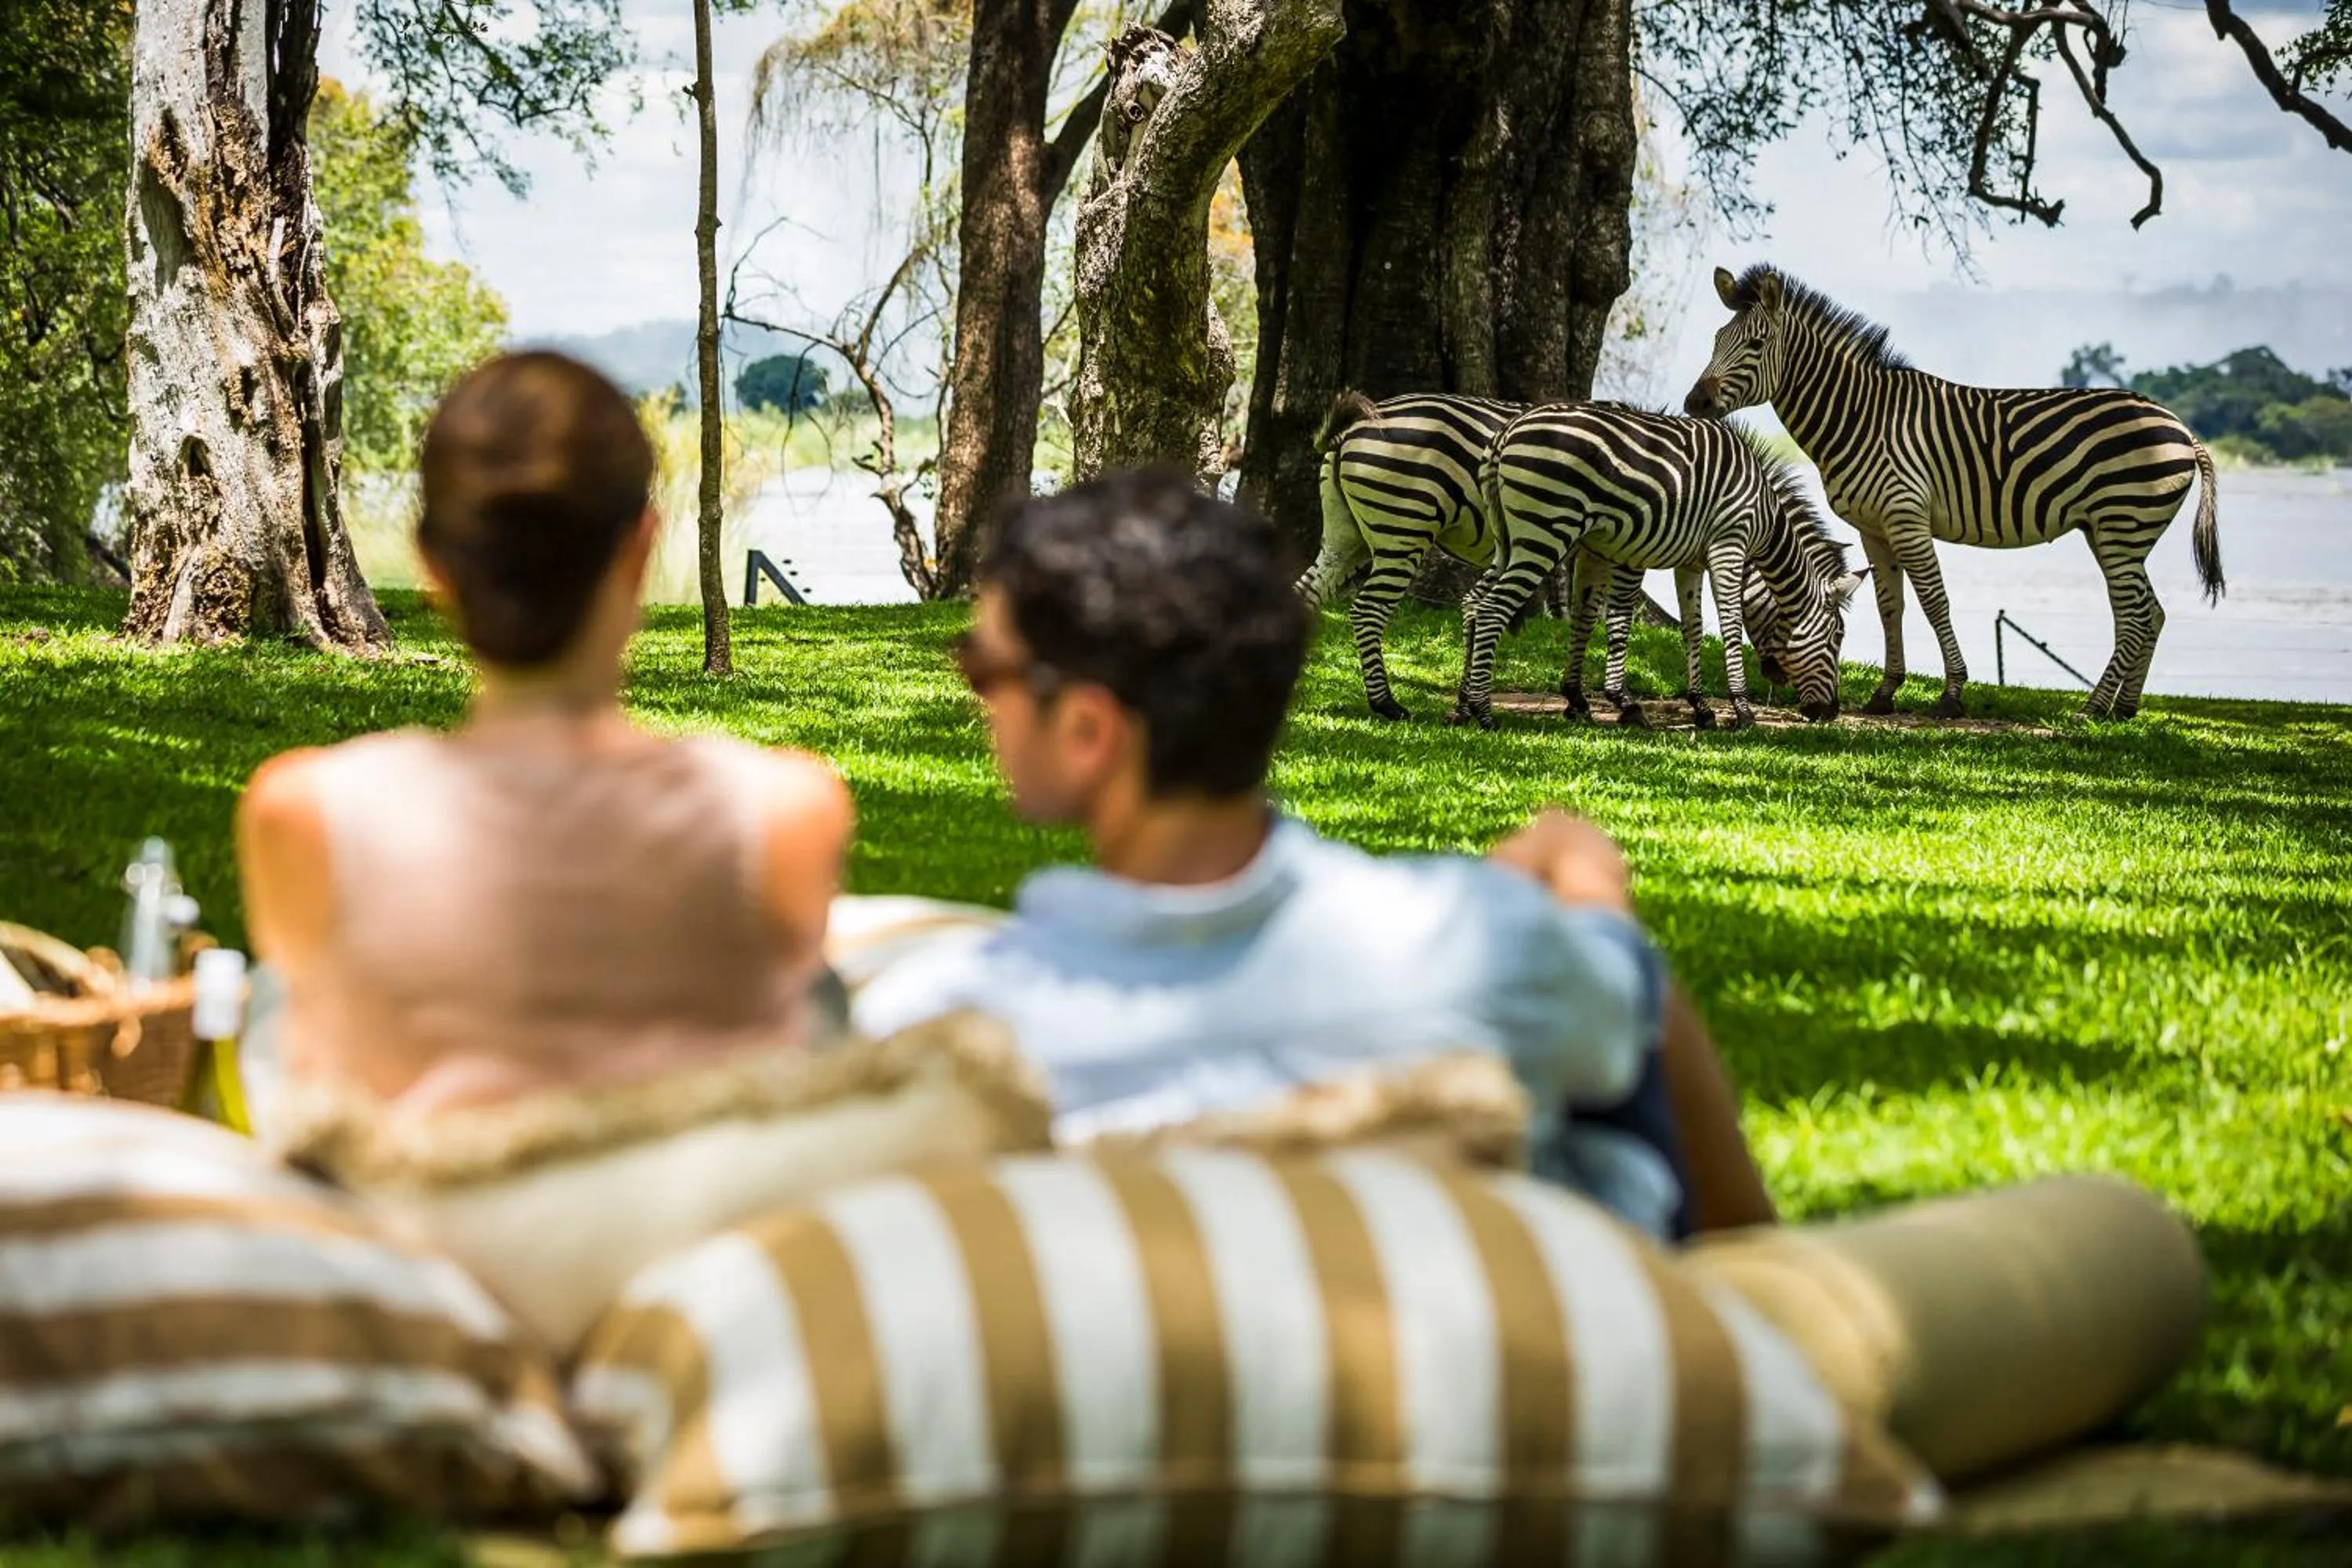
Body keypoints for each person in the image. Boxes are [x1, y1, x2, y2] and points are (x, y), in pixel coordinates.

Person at [852, 470, 1775, 1239]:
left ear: (1091, 731)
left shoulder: (944, 1025)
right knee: (1629, 988)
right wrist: (1581, 881)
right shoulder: (1485, 949)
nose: (979, 700)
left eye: (984, 670)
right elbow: (1623, 1014)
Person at [237, 351, 852, 1114]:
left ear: (435, 566)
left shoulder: (305, 812)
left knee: (268, 1001)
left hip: (415, 1217)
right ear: (638, 549)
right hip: (687, 1219)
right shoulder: (783, 812)